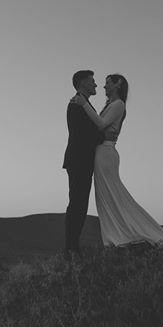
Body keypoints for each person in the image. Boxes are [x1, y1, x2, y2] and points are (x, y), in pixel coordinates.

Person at [72, 74, 163, 251]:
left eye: (108, 83)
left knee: (114, 194)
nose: (104, 87)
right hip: (102, 153)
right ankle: (116, 234)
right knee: (108, 196)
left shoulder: (118, 105)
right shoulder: (110, 105)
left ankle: (127, 234)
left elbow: (101, 124)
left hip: (106, 154)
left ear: (118, 84)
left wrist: (84, 104)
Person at [62, 70, 104, 258]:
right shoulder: (76, 104)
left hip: (82, 161)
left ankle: (72, 246)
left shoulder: (84, 104)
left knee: (80, 203)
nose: (96, 85)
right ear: (82, 84)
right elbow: (81, 134)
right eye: (92, 81)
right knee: (77, 204)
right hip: (78, 161)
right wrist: (102, 136)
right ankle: (70, 247)